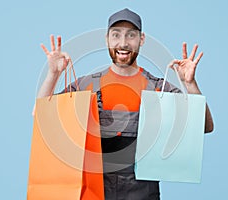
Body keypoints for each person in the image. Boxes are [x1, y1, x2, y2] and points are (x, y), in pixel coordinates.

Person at [37, 8, 214, 200]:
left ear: (142, 39)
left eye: (131, 35)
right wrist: (53, 75)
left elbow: (204, 126)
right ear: (107, 39)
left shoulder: (157, 88)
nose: (123, 43)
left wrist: (190, 84)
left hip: (142, 193)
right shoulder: (86, 85)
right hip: (94, 191)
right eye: (116, 35)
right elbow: (42, 117)